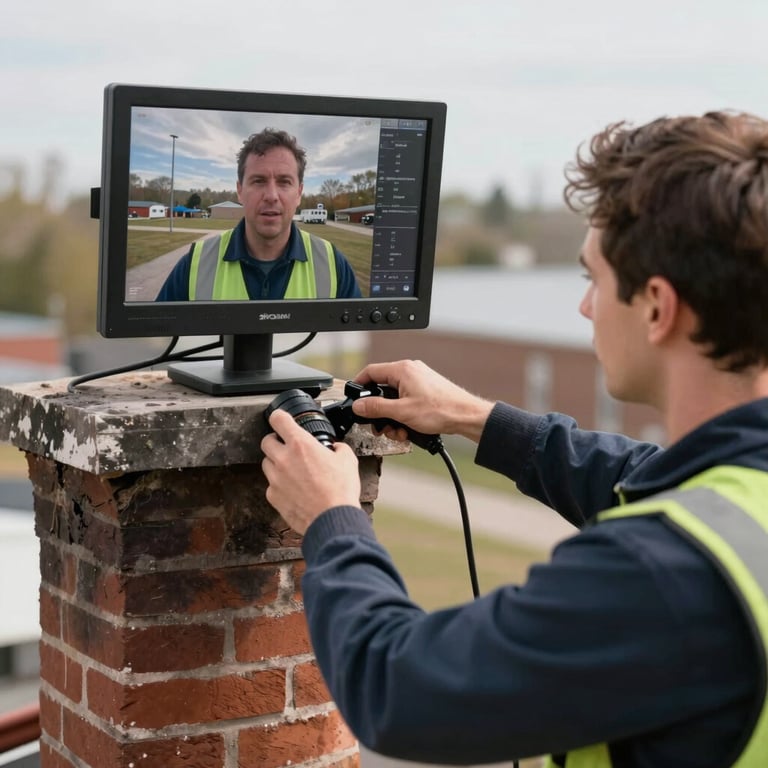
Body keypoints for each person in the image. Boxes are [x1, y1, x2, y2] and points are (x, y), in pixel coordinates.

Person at [260, 111, 768, 767]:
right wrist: (473, 417)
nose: (585, 308)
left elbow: (399, 691)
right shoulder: (736, 501)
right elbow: (643, 474)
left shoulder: (657, 576)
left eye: (594, 280)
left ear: (657, 307)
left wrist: (332, 517)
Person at [156, 128, 362, 300]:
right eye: (258, 181)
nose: (271, 195)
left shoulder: (333, 264)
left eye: (284, 182)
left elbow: (360, 344)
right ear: (239, 191)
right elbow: (155, 343)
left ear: (299, 193)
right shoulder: (195, 264)